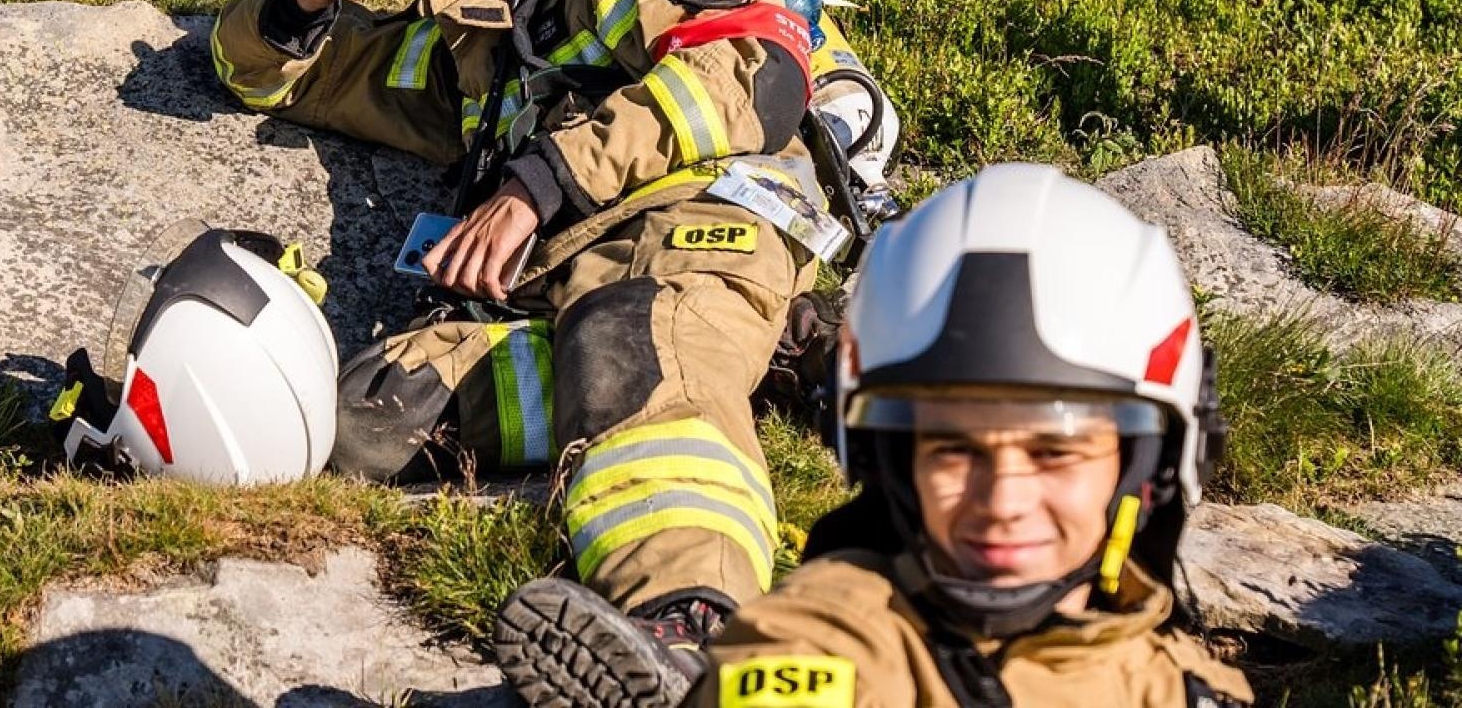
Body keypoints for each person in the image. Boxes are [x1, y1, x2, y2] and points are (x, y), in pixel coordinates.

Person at [210, 0, 822, 676]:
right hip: (560, 292)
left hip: (693, 230)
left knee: (628, 344)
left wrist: (541, 181)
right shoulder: (472, 34)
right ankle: (766, 357)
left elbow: (758, 69)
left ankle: (693, 631)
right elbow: (272, 74)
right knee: (368, 415)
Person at [497, 162, 1254, 707]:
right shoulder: (828, 648)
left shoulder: (1191, 681)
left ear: (1147, 464)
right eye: (954, 449)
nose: (1003, 500)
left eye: (1054, 451)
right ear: (892, 461)